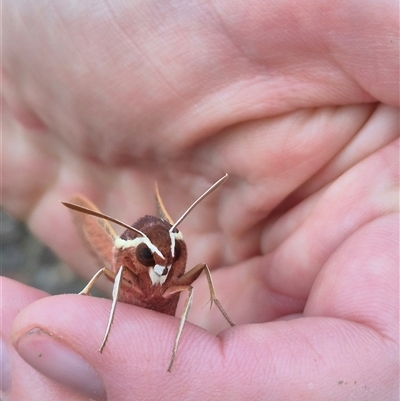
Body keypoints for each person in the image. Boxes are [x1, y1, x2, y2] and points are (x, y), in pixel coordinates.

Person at [1, 1, 398, 400]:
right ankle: (96, 314)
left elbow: (194, 276)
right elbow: (116, 269)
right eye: (151, 259)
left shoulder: (174, 263)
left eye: (170, 255)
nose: (163, 264)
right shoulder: (125, 260)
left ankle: (175, 334)